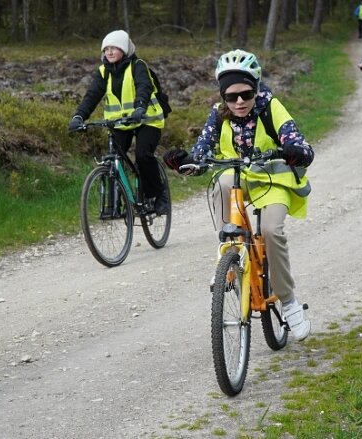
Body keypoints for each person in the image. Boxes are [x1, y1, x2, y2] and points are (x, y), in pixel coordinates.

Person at [162, 50, 314, 341]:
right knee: (221, 183)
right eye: (232, 97)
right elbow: (202, 150)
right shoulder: (218, 114)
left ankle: (289, 301)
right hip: (239, 178)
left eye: (246, 93)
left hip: (273, 179)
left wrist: (297, 151)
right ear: (223, 97)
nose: (240, 102)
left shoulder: (271, 107)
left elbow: (296, 139)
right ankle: (230, 253)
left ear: (256, 88)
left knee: (270, 231)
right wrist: (186, 161)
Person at [67, 30, 170, 214]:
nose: (109, 52)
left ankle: (157, 195)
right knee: (114, 160)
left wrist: (140, 107)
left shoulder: (138, 66)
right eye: (106, 48)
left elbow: (144, 88)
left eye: (114, 48)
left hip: (147, 119)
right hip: (120, 123)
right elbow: (91, 97)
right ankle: (115, 204)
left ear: (124, 49)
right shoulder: (102, 72)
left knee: (142, 155)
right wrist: (79, 116)